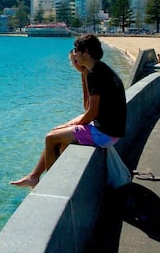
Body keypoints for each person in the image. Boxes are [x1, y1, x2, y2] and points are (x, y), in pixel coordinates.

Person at [11, 34, 127, 188]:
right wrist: (82, 72)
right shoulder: (101, 70)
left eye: (76, 51)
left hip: (104, 134)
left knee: (51, 138)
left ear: (85, 52)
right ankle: (34, 177)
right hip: (110, 130)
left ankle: (51, 186)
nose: (74, 54)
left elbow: (91, 112)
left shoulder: (96, 75)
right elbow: (90, 109)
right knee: (59, 136)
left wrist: (70, 126)